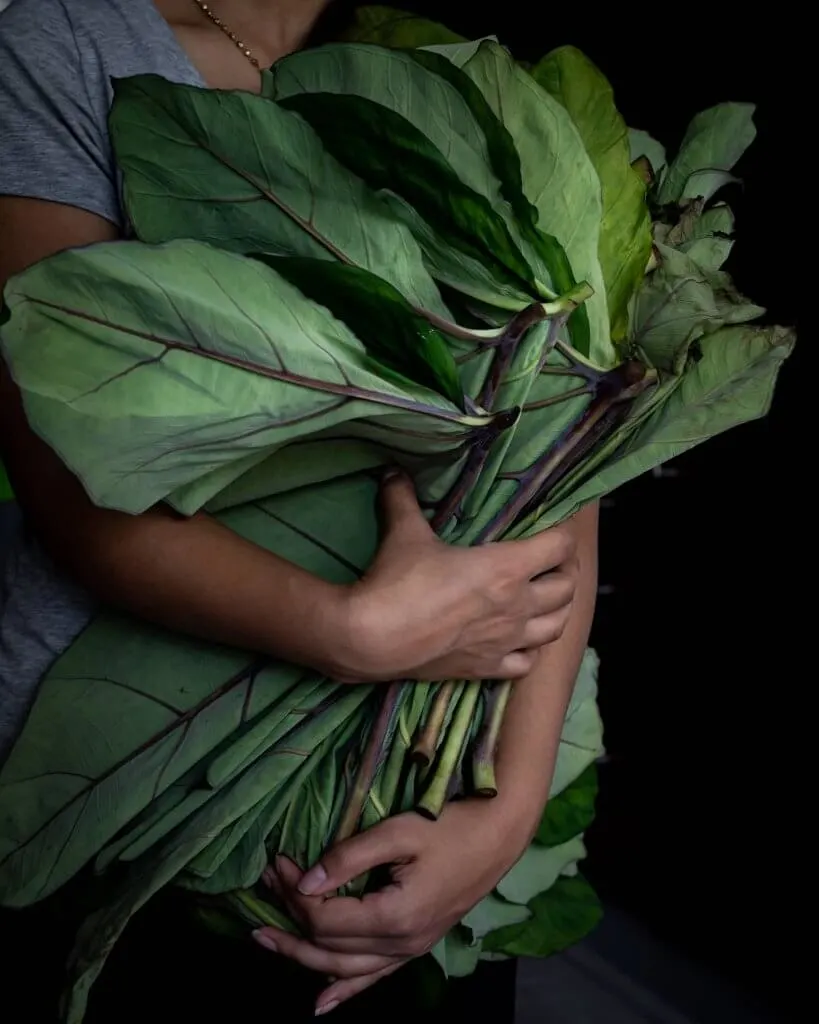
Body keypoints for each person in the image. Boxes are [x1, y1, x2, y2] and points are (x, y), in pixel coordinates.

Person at [0, 0, 598, 1017]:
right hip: (118, 811)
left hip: (426, 846)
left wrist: (505, 814)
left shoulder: (453, 65)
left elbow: (569, 457)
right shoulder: (68, 42)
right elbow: (64, 464)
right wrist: (352, 633)